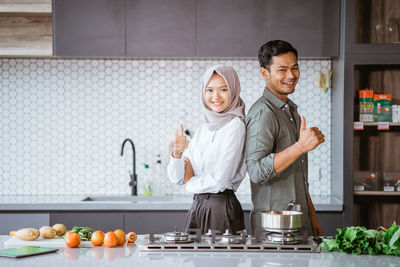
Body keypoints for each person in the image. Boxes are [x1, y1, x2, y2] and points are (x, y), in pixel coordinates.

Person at [246, 40, 324, 236]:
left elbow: (298, 173)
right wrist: (300, 147)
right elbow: (256, 171)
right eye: (282, 69)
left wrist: (311, 215)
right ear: (265, 73)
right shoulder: (263, 113)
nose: (291, 75)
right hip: (274, 227)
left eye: (295, 68)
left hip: (297, 221)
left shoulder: (290, 110)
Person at [167, 65, 246, 234]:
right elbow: (178, 178)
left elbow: (220, 181)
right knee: (197, 259)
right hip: (198, 205)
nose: (215, 96)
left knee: (219, 260)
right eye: (209, 90)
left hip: (221, 207)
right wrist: (177, 154)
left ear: (233, 90)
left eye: (223, 89)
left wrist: (191, 183)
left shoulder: (235, 126)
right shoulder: (204, 127)